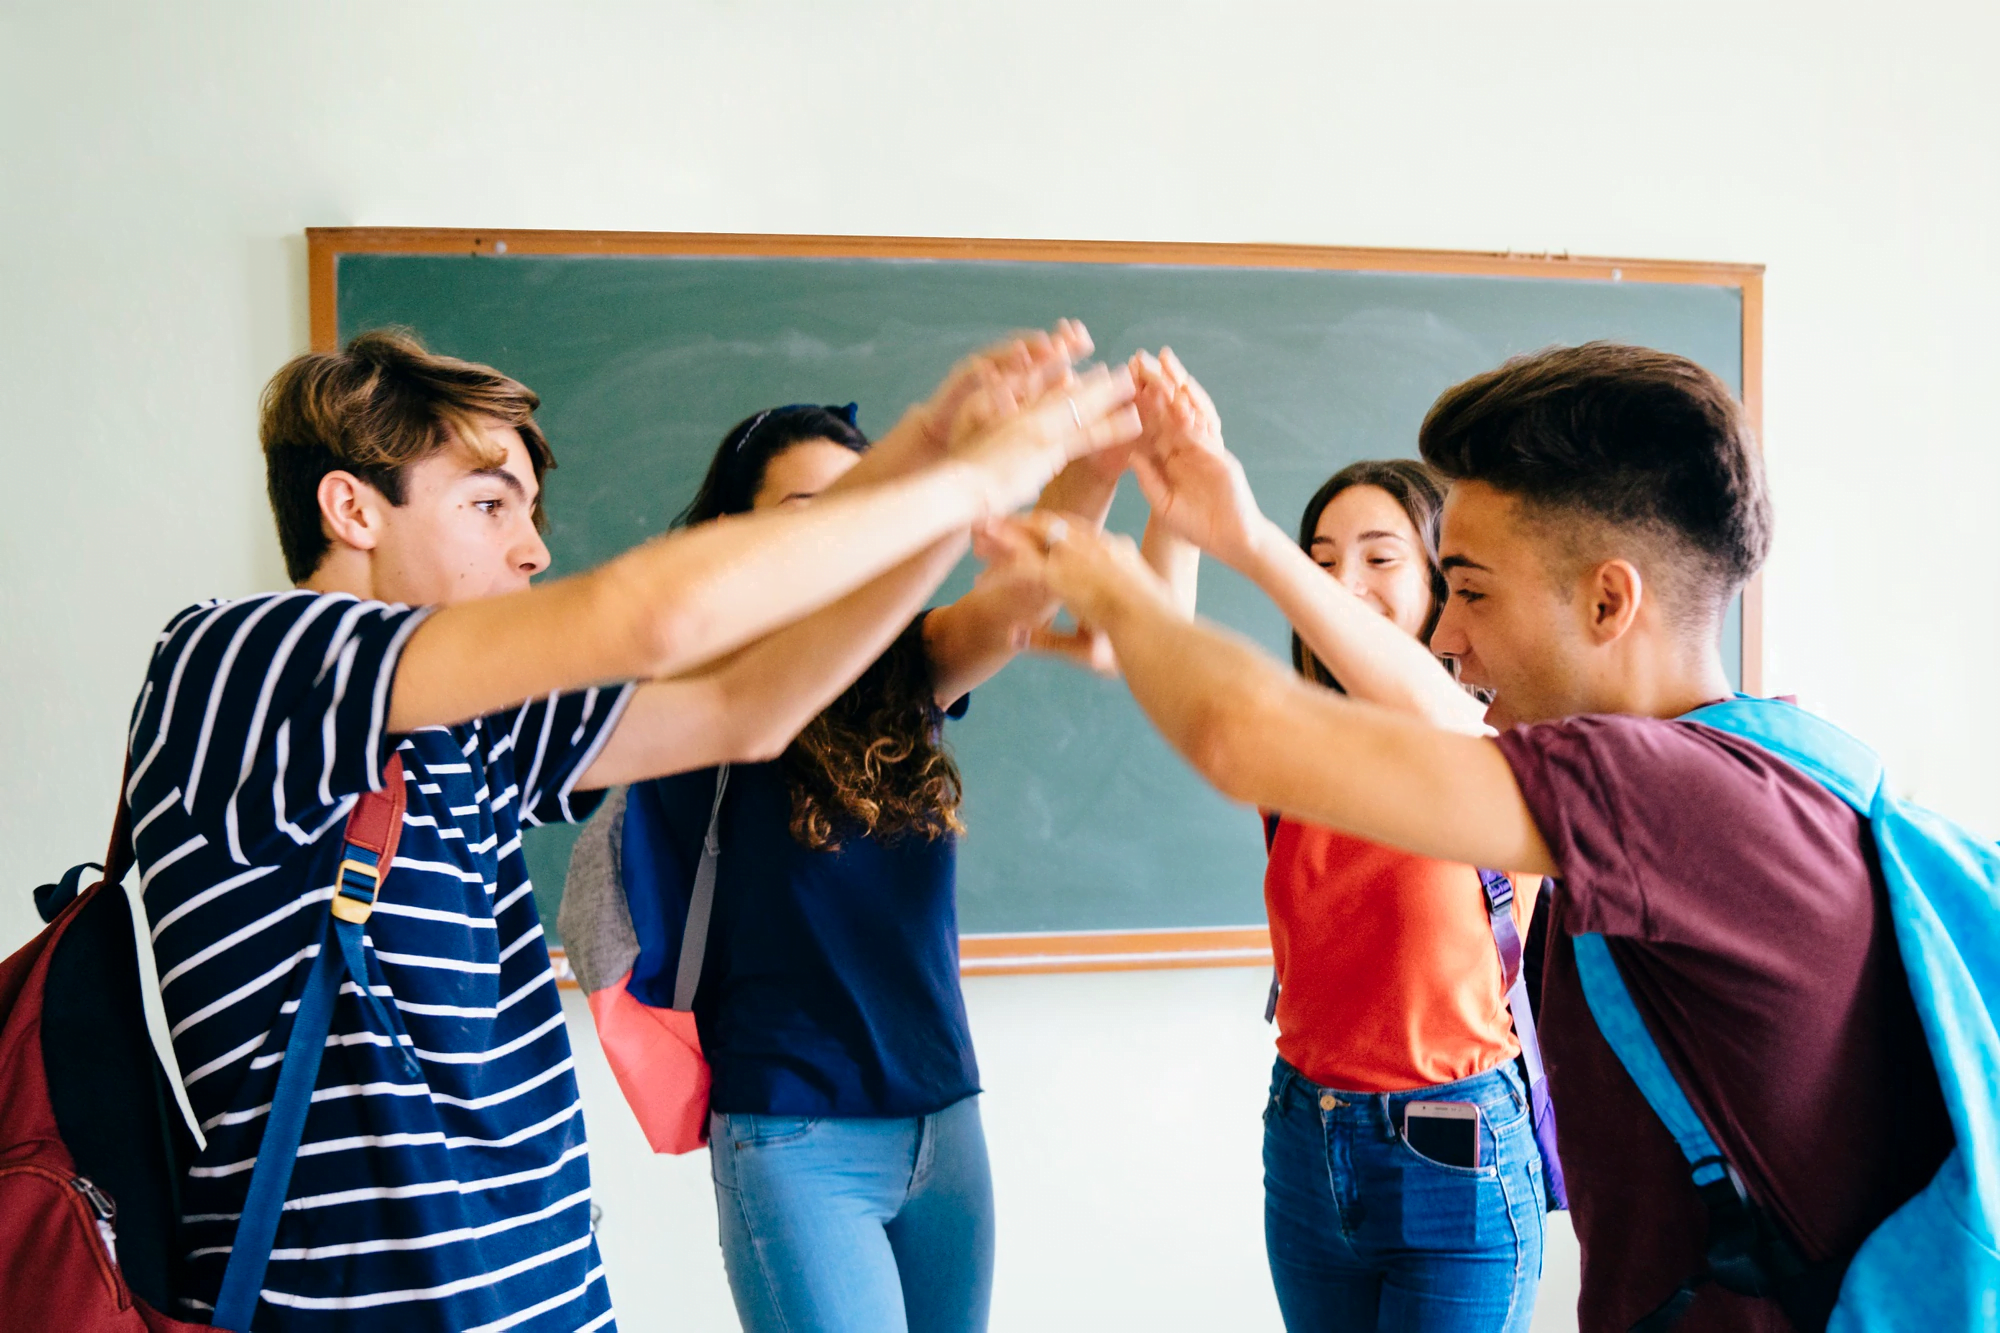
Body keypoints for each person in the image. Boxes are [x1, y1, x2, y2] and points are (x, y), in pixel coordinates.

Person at [122, 322, 1136, 1331]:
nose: (532, 547)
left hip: (540, 1296)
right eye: (488, 506)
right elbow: (648, 618)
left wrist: (928, 448)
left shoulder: (471, 722)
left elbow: (749, 703)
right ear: (351, 509)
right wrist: (966, 482)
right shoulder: (241, 660)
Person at [991, 342, 1953, 1333]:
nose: (1446, 636)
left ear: (1606, 601)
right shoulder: (1767, 762)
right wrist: (1233, 535)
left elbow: (1240, 736)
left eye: (1472, 590)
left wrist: (1103, 576)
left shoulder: (1663, 793)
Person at [583, 377, 1187, 1333]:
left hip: (945, 1121)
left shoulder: (906, 667)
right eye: (807, 513)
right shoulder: (699, 688)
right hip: (793, 1132)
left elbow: (1021, 593)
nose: (841, 539)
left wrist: (1101, 457)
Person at [1126, 355, 1545, 1331]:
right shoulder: (1299, 749)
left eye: (1377, 555)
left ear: (1449, 577)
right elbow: (1154, 641)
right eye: (1320, 558)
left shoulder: (1501, 740)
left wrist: (1253, 539)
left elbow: (1431, 712)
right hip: (1304, 1136)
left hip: (1456, 1149)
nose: (1340, 581)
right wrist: (1174, 496)